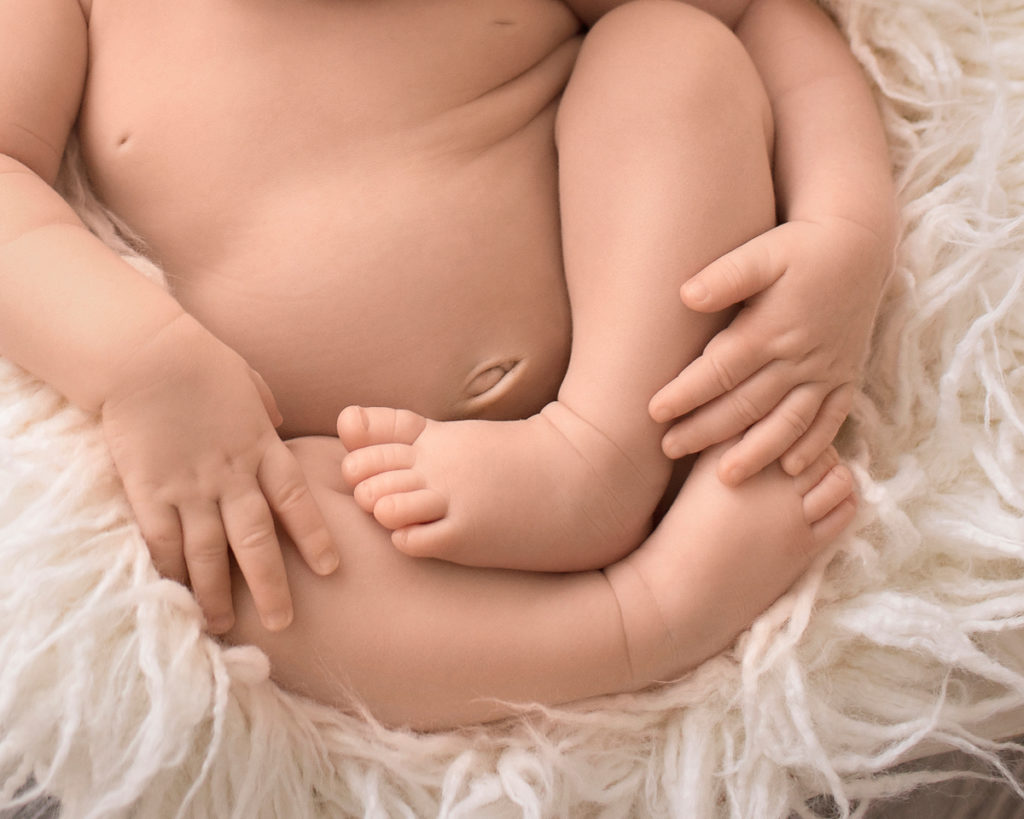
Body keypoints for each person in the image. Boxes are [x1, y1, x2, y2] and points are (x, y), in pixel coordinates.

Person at [0, 0, 891, 728]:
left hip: (638, 364)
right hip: (353, 475)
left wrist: (848, 229)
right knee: (229, 551)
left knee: (675, 48)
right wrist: (142, 362)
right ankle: (635, 620)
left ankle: (599, 460)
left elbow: (760, 22)